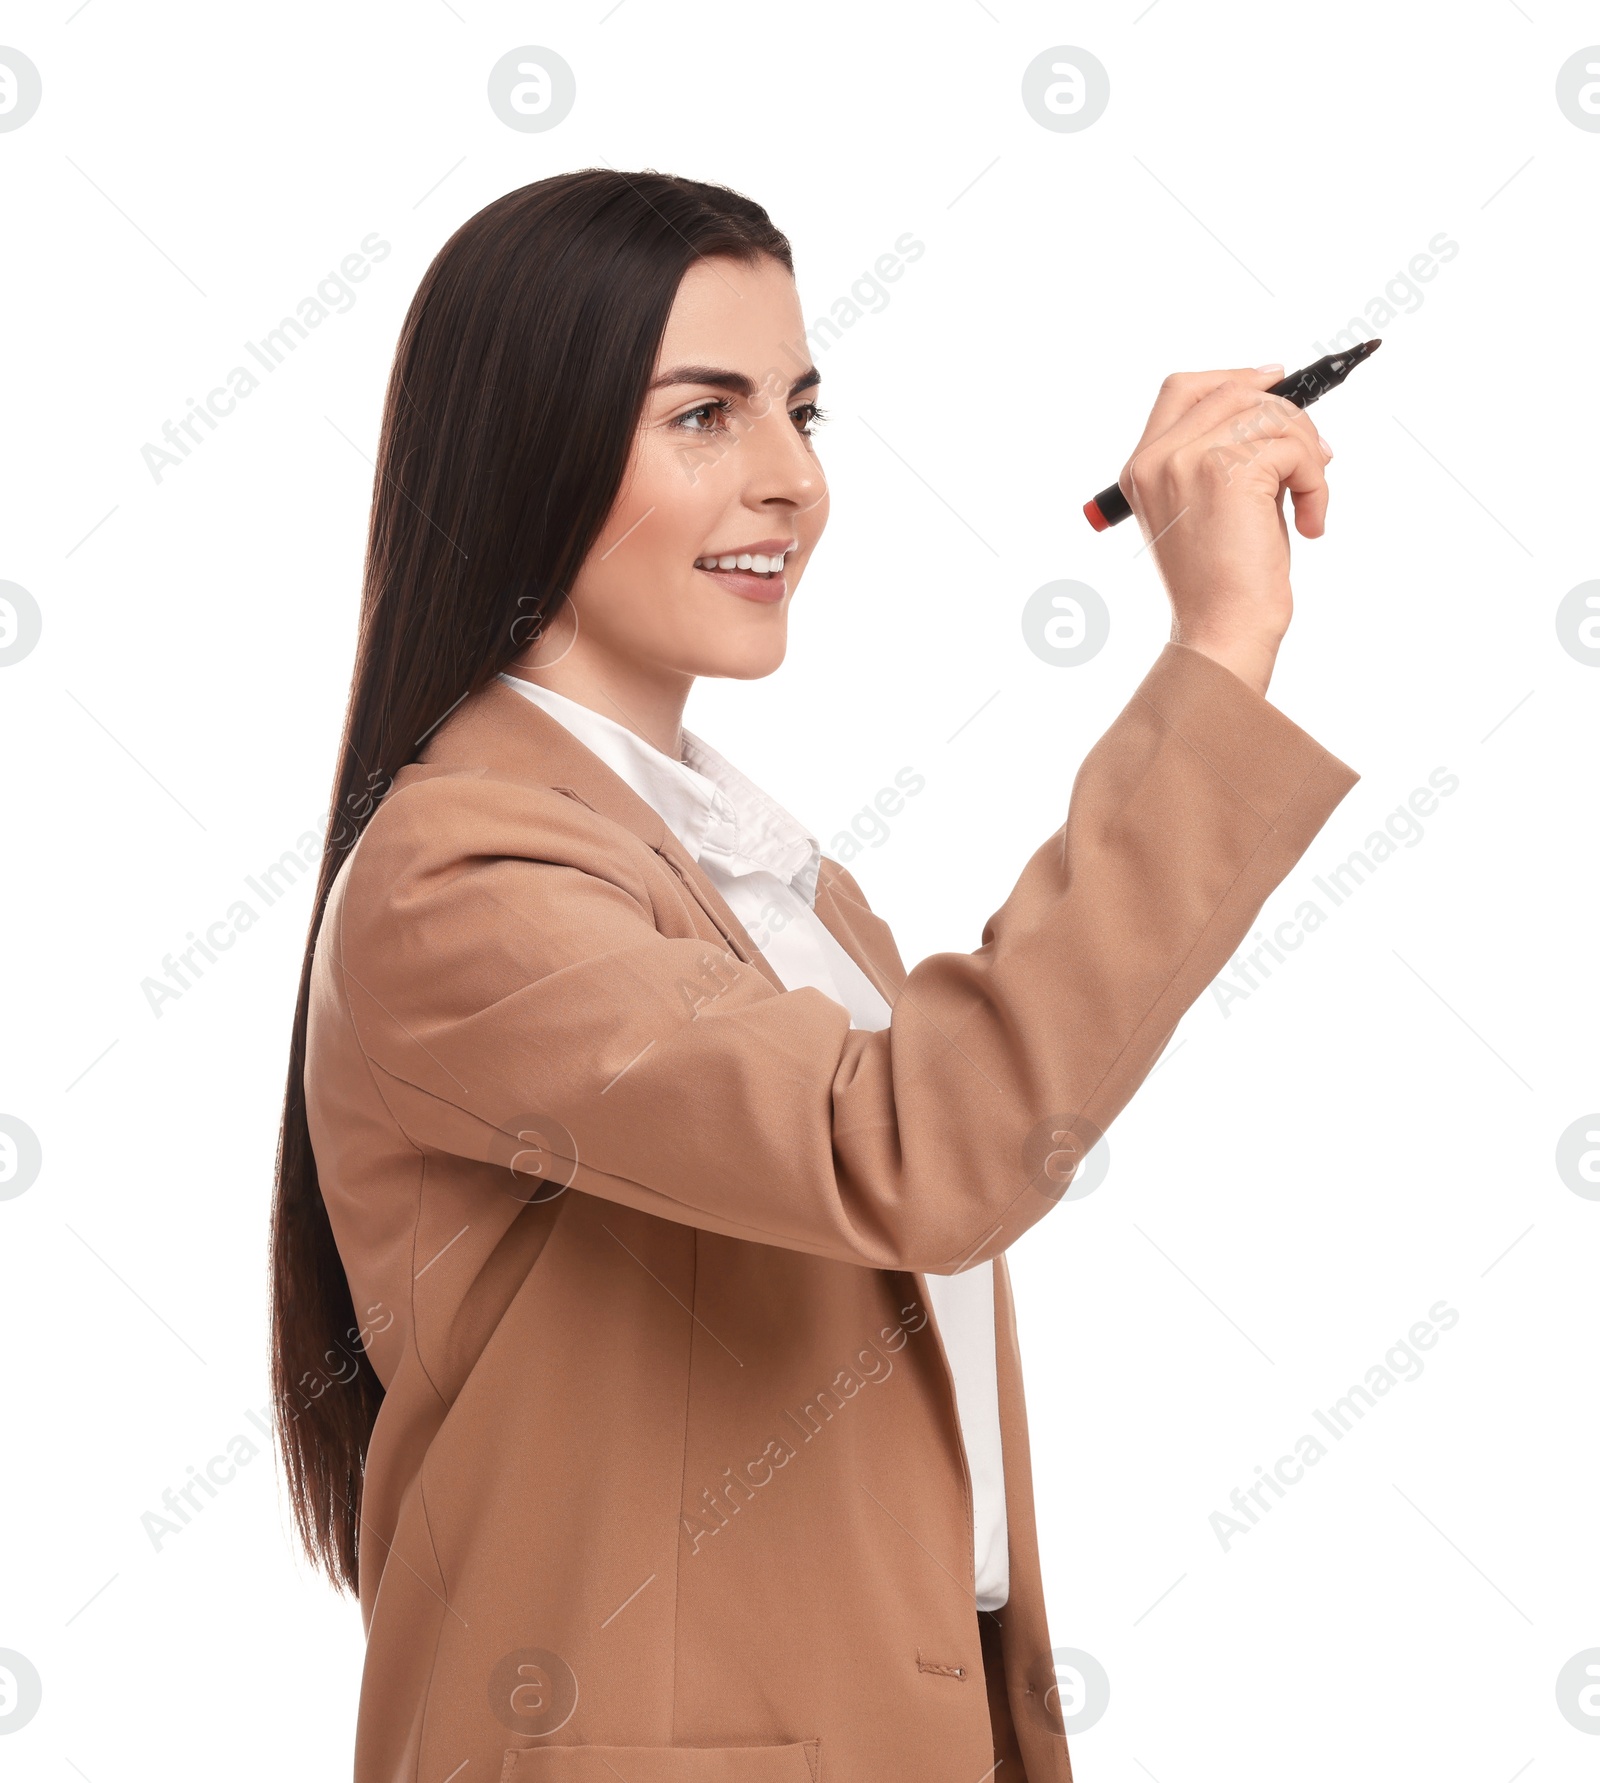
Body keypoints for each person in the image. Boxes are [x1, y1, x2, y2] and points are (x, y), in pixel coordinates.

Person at [271, 168, 1358, 1783]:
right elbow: (922, 1144)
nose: (790, 480)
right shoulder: (463, 879)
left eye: (800, 409)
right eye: (702, 416)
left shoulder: (774, 884)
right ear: (530, 450)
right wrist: (1214, 662)